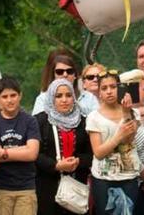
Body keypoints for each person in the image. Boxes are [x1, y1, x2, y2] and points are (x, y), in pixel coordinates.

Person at [34, 79, 93, 215]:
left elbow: (91, 154)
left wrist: (78, 161)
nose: (64, 100)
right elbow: (35, 154)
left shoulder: (83, 122)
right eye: (58, 96)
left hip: (76, 189)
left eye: (68, 95)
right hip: (48, 187)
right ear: (51, 98)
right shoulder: (40, 121)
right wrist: (56, 165)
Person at [87, 70, 140, 214]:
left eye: (113, 86)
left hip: (129, 176)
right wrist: (118, 137)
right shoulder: (93, 117)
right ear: (99, 92)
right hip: (103, 178)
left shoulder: (132, 112)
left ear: (120, 88)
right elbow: (98, 152)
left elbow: (129, 140)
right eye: (104, 88)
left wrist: (126, 112)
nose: (109, 91)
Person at [0, 77, 40, 215]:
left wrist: (4, 152)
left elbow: (32, 154)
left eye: (13, 95)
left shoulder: (30, 120)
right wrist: (22, 149)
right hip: (0, 187)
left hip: (26, 188)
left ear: (20, 95)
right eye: (4, 96)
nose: (9, 100)